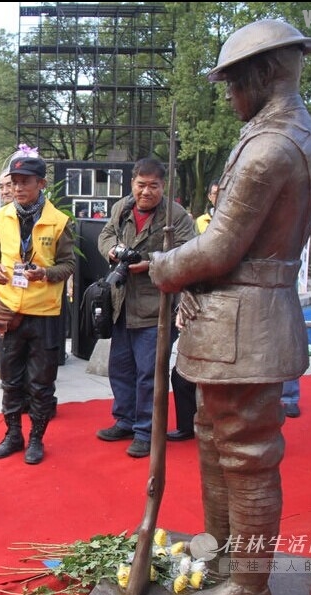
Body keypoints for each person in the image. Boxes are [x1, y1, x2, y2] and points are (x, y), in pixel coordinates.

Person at [148, 19, 311, 595]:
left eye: (232, 83)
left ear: (265, 74)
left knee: (246, 453)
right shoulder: (276, 132)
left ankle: (248, 582)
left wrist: (166, 266)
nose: (227, 97)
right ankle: (223, 557)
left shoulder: (270, 146)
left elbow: (223, 244)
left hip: (247, 321)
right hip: (234, 319)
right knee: (214, 436)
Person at [94, 158, 195, 458]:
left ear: (163, 186)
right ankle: (124, 420)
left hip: (157, 308)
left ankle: (146, 431)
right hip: (121, 303)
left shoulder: (176, 216)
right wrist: (112, 251)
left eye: (153, 186)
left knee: (149, 373)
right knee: (120, 368)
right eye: (141, 185)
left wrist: (151, 264)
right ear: (132, 184)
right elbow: (105, 235)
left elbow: (189, 255)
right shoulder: (122, 208)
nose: (146, 192)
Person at [0, 154, 75, 465]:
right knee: (10, 379)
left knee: (41, 382)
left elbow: (69, 264)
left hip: (45, 312)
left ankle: (36, 438)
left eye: (25, 182)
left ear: (41, 184)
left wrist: (45, 273)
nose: (18, 187)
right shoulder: (1, 217)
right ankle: (12, 435)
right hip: (9, 309)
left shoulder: (59, 221)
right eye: (14, 182)